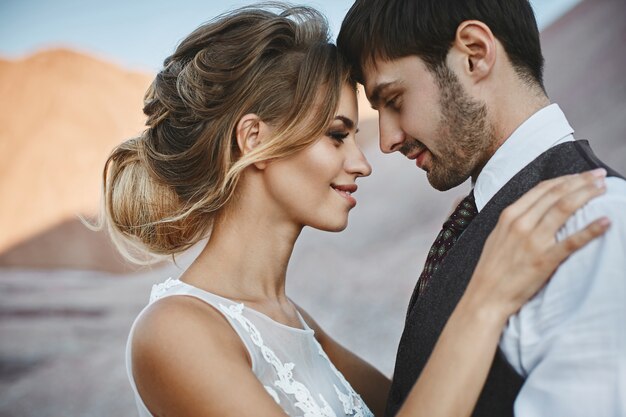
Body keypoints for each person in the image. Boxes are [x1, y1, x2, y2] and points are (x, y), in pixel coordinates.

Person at [96, 5, 610, 417]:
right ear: (255, 139)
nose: (365, 161)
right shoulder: (174, 332)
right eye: (338, 135)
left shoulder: (298, 325)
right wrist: (486, 300)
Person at [337, 0, 626, 416]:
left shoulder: (595, 226)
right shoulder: (482, 216)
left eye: (395, 99)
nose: (386, 140)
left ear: (474, 54)